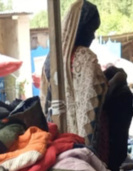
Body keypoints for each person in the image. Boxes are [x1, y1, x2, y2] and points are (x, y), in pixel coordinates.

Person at [41, 0, 107, 152]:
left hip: (56, 146)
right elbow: (93, 107)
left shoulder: (50, 61)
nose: (93, 36)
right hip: (81, 147)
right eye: (91, 30)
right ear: (79, 28)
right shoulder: (86, 59)